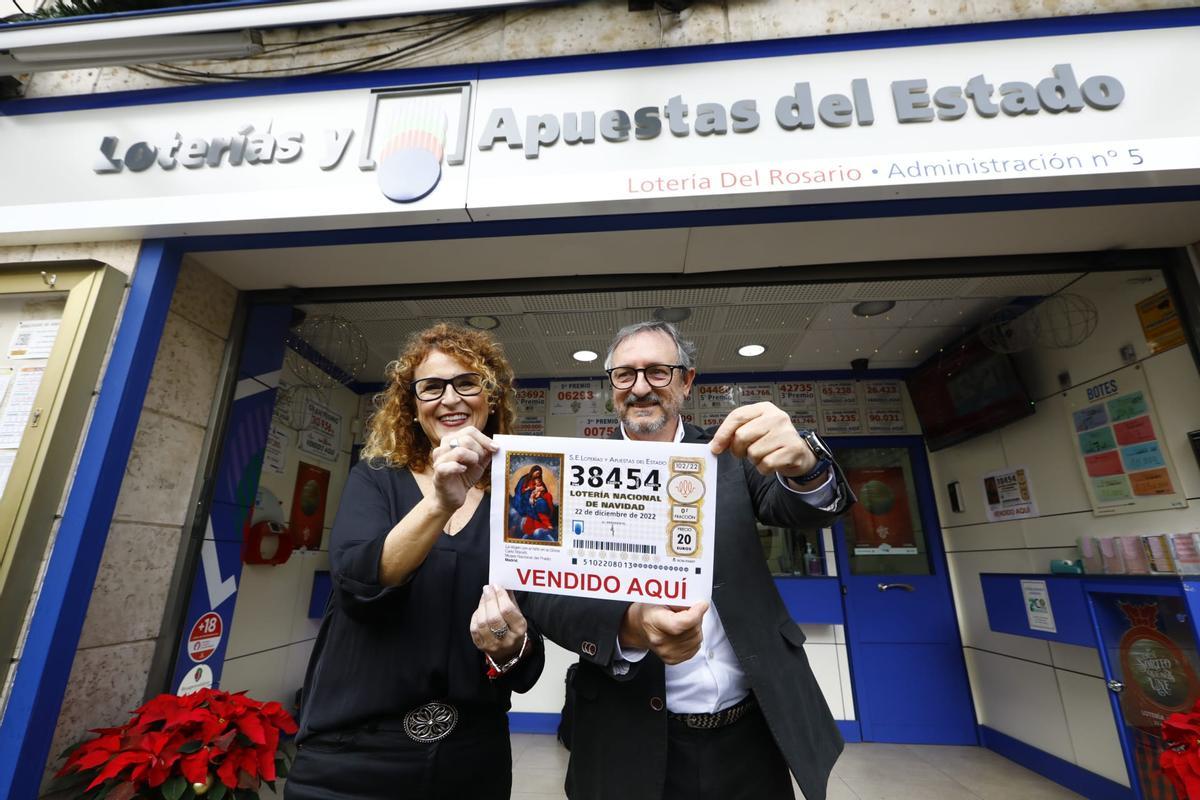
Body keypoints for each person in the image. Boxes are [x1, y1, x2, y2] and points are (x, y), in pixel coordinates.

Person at [523, 320, 854, 800]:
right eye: (625, 375)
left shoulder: (731, 456)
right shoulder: (574, 473)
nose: (640, 388)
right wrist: (629, 625)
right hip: (626, 733)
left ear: (686, 380)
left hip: (753, 729)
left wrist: (805, 465)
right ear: (611, 386)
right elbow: (541, 593)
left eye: (658, 372)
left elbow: (807, 508)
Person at [286, 322, 544, 800]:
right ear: (412, 404)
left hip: (472, 758)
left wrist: (511, 649)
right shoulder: (376, 478)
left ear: (492, 397)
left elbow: (532, 632)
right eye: (432, 387)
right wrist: (439, 503)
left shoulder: (518, 499)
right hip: (354, 756)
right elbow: (358, 587)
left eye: (468, 382)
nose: (451, 399)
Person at [509, 464, 558, 542]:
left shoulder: (539, 480)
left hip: (536, 498)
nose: (538, 475)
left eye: (539, 473)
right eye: (536, 473)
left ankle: (544, 522)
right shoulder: (524, 479)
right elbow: (520, 491)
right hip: (524, 499)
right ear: (532, 472)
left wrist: (541, 493)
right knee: (539, 504)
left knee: (545, 500)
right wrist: (529, 491)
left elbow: (544, 491)